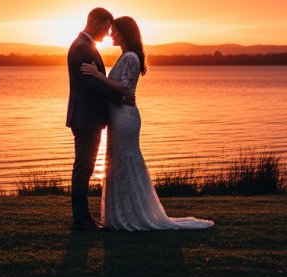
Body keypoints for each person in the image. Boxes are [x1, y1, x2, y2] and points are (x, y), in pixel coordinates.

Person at [81, 16, 214, 231]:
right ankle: (120, 214)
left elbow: (123, 88)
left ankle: (134, 215)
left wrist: (97, 75)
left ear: (123, 33)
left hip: (125, 117)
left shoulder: (131, 57)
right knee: (117, 162)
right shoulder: (125, 56)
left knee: (126, 161)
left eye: (114, 31)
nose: (110, 34)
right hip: (118, 115)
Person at [65, 7, 132, 231]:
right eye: (105, 27)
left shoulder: (85, 46)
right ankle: (80, 219)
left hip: (87, 117)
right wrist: (119, 97)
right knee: (84, 167)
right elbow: (91, 85)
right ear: (95, 22)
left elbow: (95, 81)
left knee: (85, 167)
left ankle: (83, 217)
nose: (107, 33)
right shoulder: (83, 49)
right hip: (86, 118)